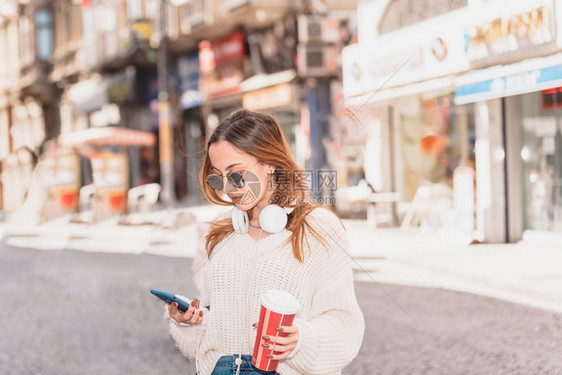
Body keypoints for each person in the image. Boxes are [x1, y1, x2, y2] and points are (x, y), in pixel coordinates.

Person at [167, 109, 365, 375]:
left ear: (270, 163)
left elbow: (344, 323)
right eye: (218, 177)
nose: (227, 188)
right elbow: (214, 334)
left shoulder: (318, 228)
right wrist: (191, 322)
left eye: (236, 174)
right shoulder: (221, 234)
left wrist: (300, 340)